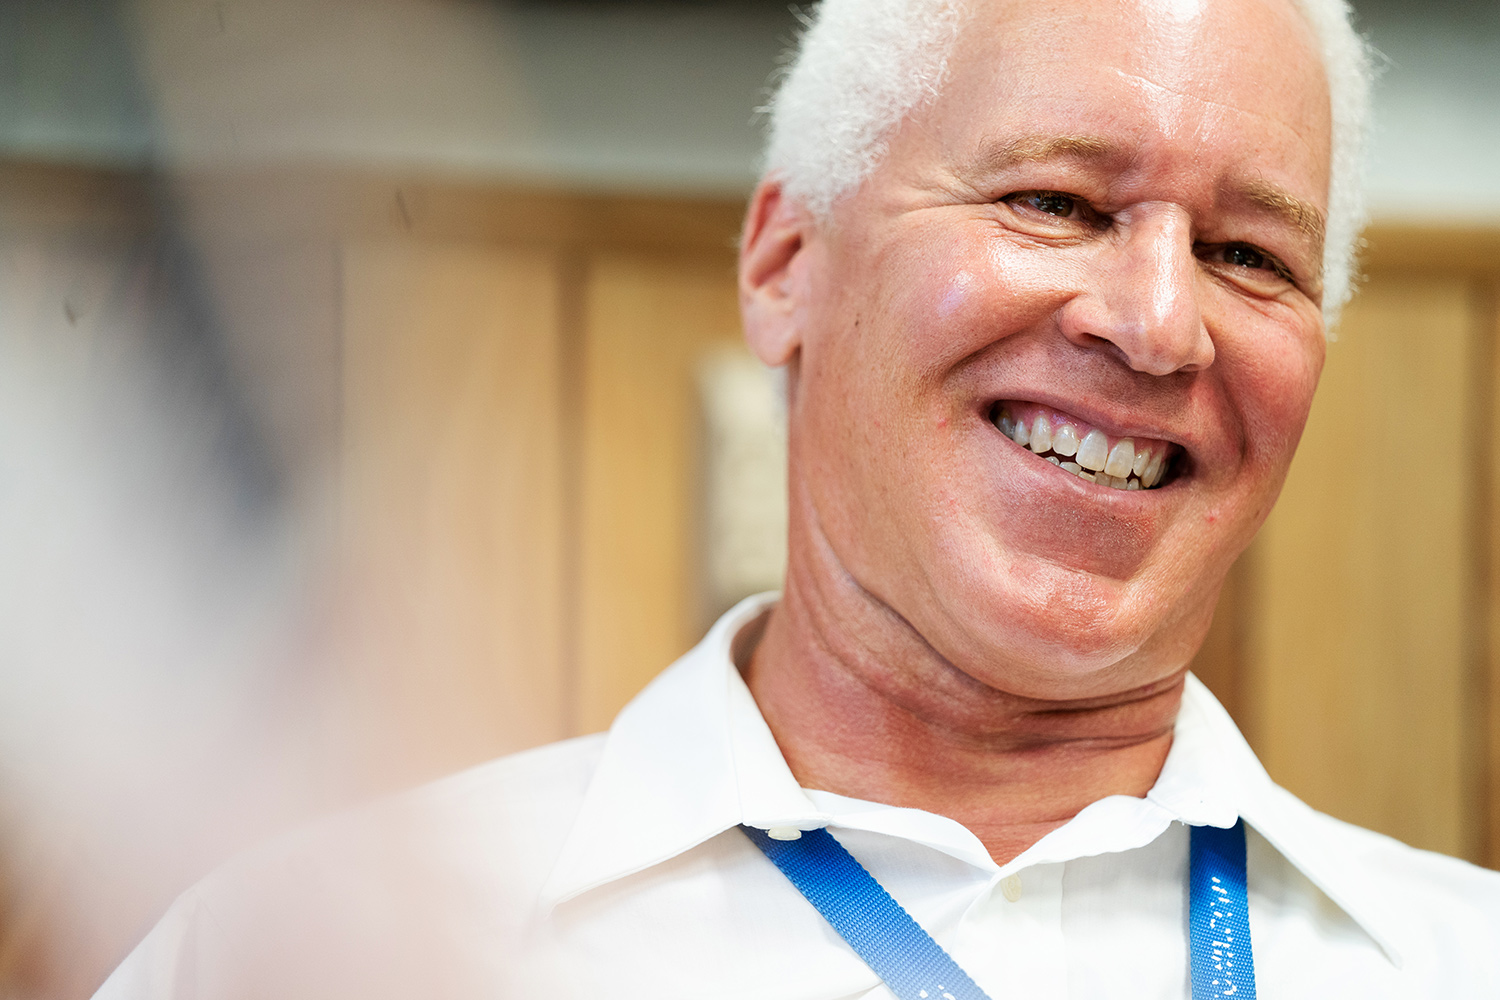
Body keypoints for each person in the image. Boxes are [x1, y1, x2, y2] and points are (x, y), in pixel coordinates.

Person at [96, 0, 1500, 996]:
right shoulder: (315, 956)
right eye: (1056, 205)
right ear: (785, 266)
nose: (1156, 323)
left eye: (1250, 253)